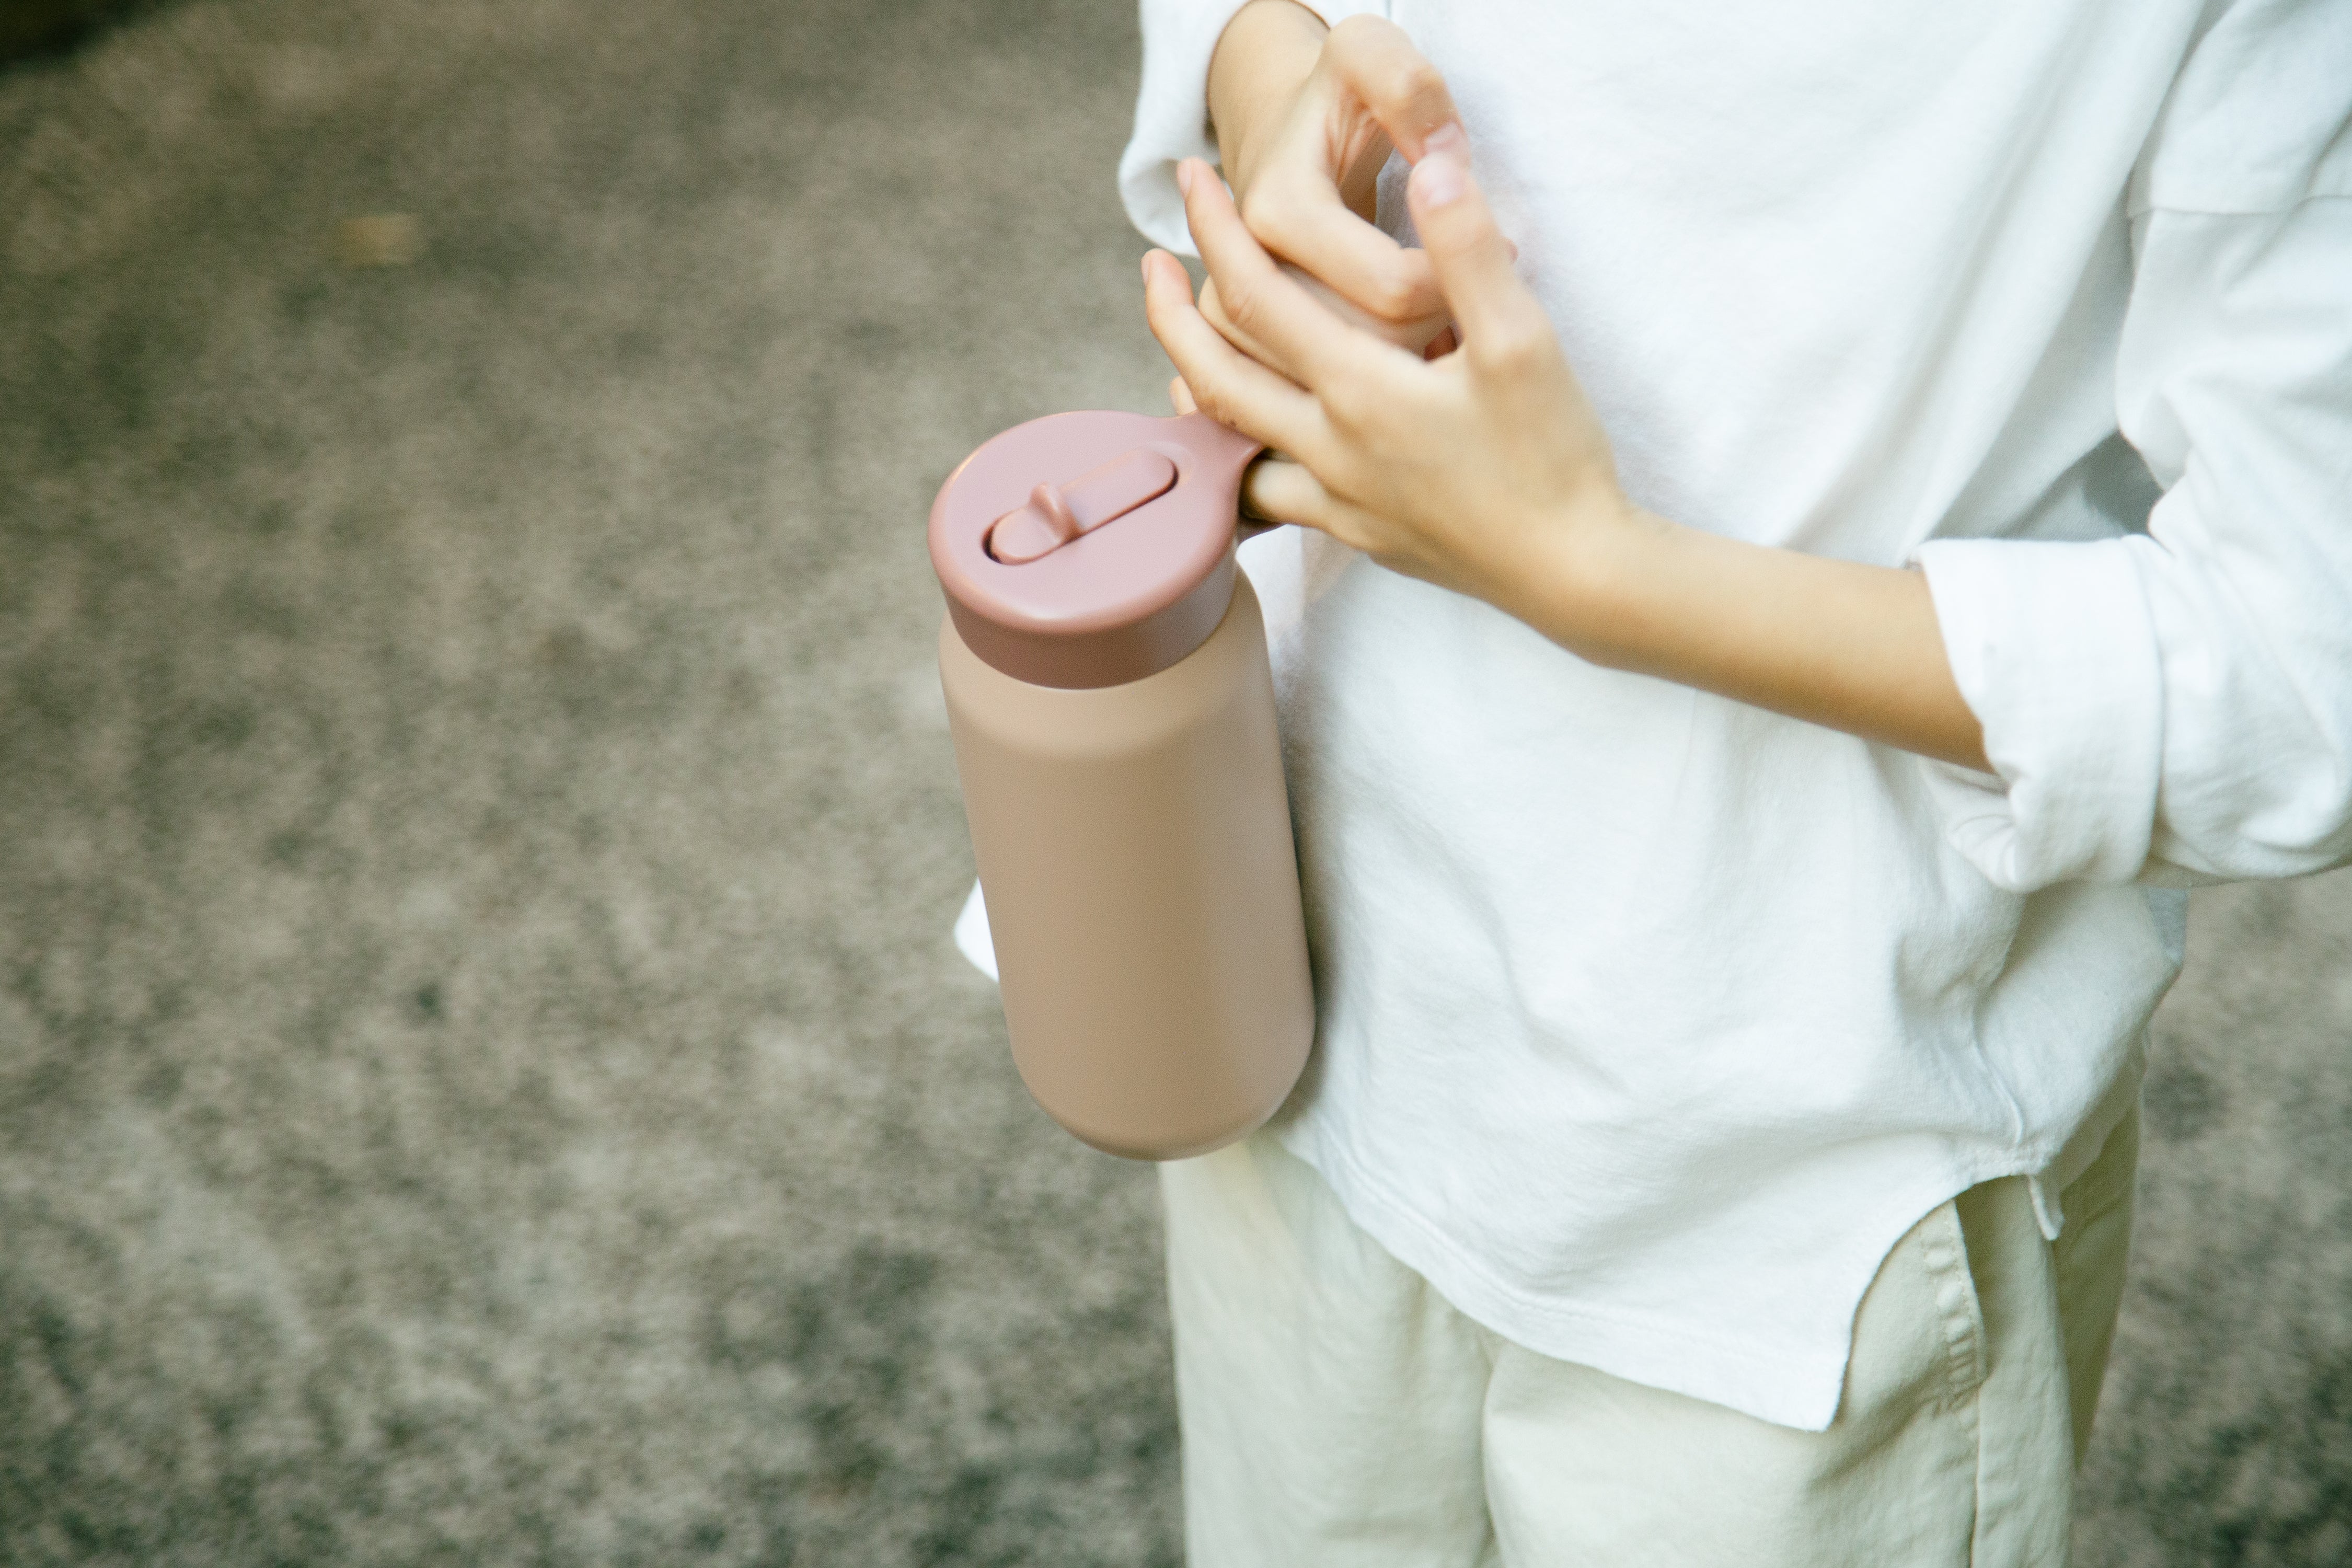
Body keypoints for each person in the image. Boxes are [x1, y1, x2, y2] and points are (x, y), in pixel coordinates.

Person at [1103, 1, 2352, 1562]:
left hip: (1784, 1196)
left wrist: (1597, 575)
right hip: (1304, 990)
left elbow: (2302, 668)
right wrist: (1262, 65)